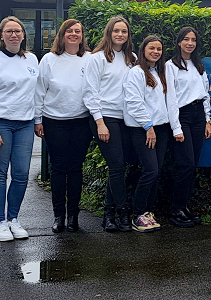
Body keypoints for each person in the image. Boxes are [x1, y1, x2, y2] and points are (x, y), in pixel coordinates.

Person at [0, 16, 39, 241]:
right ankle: (0, 222)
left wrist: (38, 119)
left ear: (24, 35)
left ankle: (13, 219)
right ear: (1, 35)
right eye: (9, 31)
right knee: (0, 173)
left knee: (21, 174)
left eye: (18, 31)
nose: (14, 35)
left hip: (25, 123)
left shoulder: (32, 59)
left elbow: (36, 94)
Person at [34, 19, 93, 233]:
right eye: (70, 30)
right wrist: (37, 120)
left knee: (75, 168)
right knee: (58, 169)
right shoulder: (49, 59)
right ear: (62, 34)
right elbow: (40, 90)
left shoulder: (89, 58)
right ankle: (58, 216)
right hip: (54, 121)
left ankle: (73, 216)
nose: (74, 34)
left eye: (78, 31)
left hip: (80, 121)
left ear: (82, 36)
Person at [83, 16, 137, 232]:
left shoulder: (131, 58)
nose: (120, 35)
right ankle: (122, 212)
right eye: (116, 31)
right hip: (105, 117)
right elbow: (90, 91)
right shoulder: (96, 58)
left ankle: (108, 214)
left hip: (127, 120)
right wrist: (99, 122)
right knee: (116, 166)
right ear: (109, 33)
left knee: (120, 166)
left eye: (124, 31)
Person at [164, 27, 211, 227]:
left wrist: (208, 120)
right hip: (182, 115)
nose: (190, 43)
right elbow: (171, 98)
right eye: (186, 39)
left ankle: (184, 207)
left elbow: (205, 93)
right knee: (186, 164)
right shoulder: (170, 65)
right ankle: (176, 210)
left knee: (193, 165)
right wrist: (176, 127)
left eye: (193, 40)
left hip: (199, 115)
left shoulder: (198, 65)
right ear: (179, 42)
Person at [123, 35, 169, 232]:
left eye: (159, 49)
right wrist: (148, 127)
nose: (156, 52)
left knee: (156, 172)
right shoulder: (136, 73)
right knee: (149, 170)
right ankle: (138, 214)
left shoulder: (159, 72)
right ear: (143, 50)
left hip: (161, 128)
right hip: (143, 129)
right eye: (152, 48)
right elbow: (134, 102)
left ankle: (148, 212)